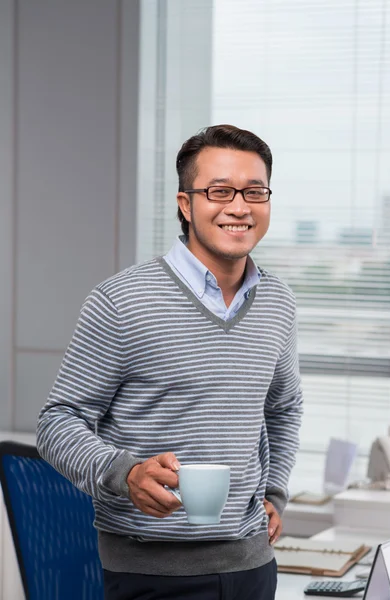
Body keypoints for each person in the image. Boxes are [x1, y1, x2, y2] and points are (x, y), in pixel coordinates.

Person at [37, 124, 303, 600]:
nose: (239, 207)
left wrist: (275, 493)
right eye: (219, 191)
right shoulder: (122, 301)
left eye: (254, 191)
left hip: (252, 566)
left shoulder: (278, 302)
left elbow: (284, 408)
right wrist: (125, 473)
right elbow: (58, 422)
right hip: (150, 576)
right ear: (186, 204)